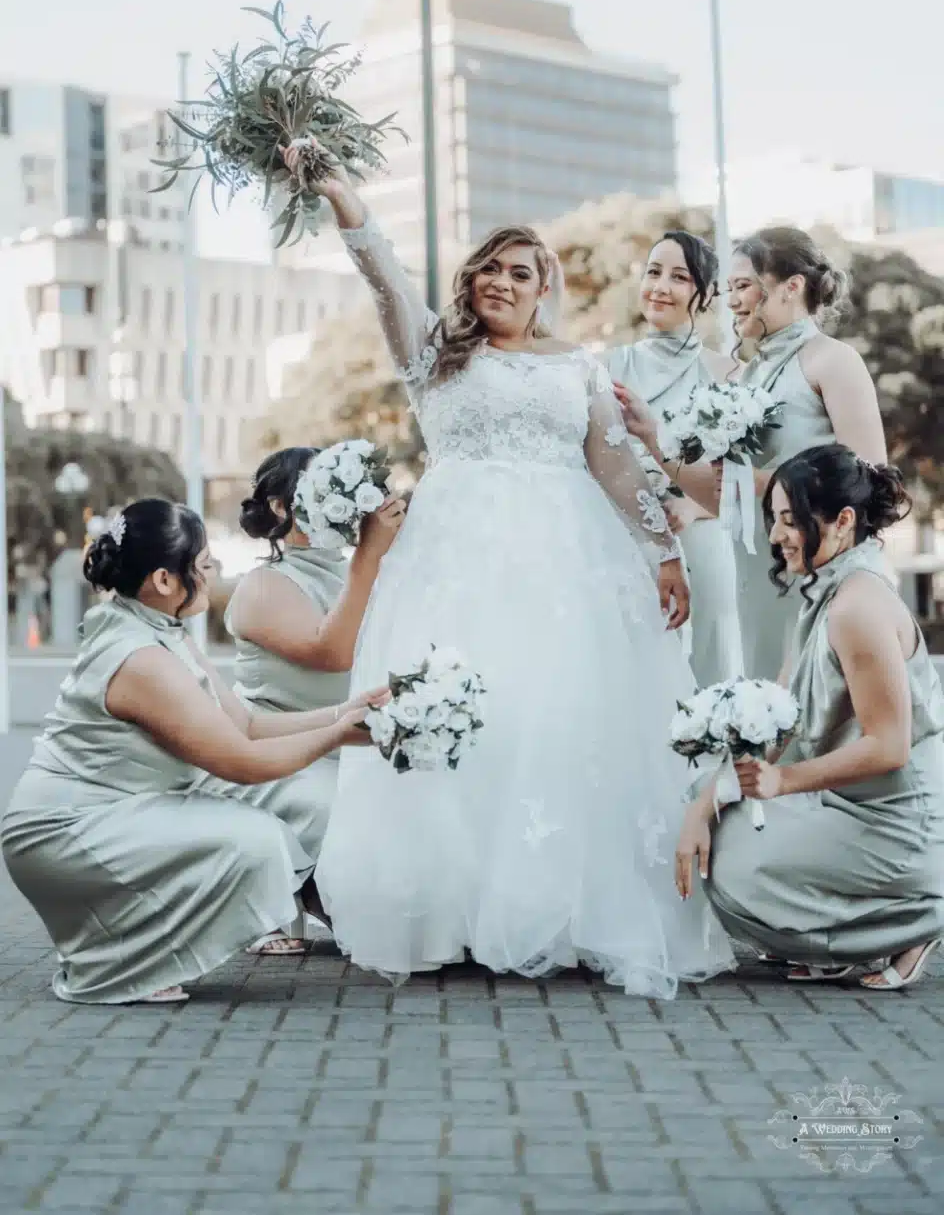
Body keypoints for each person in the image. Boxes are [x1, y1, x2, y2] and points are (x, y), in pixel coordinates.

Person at [291, 150, 735, 999]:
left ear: (544, 290)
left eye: (521, 272)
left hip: (570, 568)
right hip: (454, 564)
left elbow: (612, 464)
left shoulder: (580, 366)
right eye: (490, 267)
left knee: (558, 720)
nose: (502, 281)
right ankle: (451, 911)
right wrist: (348, 203)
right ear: (471, 282)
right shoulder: (432, 354)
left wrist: (663, 553)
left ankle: (557, 910)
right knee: (468, 720)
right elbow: (385, 281)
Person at [0, 499, 385, 1005]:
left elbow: (245, 724)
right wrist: (337, 735)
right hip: (65, 831)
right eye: (204, 564)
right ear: (164, 579)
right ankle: (120, 963)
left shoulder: (156, 628)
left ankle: (127, 946)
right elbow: (241, 763)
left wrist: (344, 714)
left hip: (111, 810)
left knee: (265, 828)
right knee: (256, 841)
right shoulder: (140, 658)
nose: (213, 571)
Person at [675, 445, 944, 990]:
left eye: (791, 521)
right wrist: (706, 800)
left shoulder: (857, 608)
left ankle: (914, 917)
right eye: (775, 520)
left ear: (843, 522)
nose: (776, 537)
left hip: (898, 824)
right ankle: (868, 933)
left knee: (732, 871)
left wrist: (781, 782)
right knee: (709, 823)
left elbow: (890, 746)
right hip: (851, 806)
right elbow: (782, 711)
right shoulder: (829, 591)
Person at [621, 227, 886, 679]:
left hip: (820, 576)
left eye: (743, 286)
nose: (732, 301)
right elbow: (725, 496)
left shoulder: (832, 360)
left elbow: (872, 479)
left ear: (791, 286)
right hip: (756, 575)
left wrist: (763, 484)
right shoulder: (746, 379)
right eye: (728, 290)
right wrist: (653, 439)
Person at [195, 448, 406, 955]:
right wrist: (369, 558)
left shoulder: (367, 570)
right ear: (281, 507)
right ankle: (288, 894)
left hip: (353, 743)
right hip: (278, 750)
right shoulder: (264, 585)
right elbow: (330, 651)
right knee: (341, 806)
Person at [606, 232, 741, 687]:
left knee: (714, 627)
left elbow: (741, 476)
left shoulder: (727, 372)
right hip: (629, 531)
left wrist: (695, 505)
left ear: (703, 295)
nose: (660, 286)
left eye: (679, 277)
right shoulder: (609, 366)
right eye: (653, 272)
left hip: (700, 528)